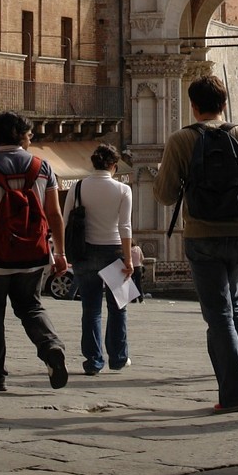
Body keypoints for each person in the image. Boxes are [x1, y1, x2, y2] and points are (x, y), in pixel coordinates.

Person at [155, 73, 238, 413]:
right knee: (236, 306)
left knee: (219, 314)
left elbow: (164, 196)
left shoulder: (181, 140)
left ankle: (235, 392)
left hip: (201, 237)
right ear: (225, 104)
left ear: (193, 106)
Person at [0, 111, 70, 389]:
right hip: (33, 256)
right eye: (29, 134)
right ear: (19, 136)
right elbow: (54, 214)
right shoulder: (42, 167)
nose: (31, 139)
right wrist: (60, 253)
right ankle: (51, 347)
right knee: (31, 307)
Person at [62, 144, 133, 376]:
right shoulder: (123, 189)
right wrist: (129, 259)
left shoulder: (78, 187)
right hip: (114, 252)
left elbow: (66, 221)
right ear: (114, 165)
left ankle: (93, 361)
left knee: (91, 310)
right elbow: (125, 227)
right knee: (118, 308)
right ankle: (118, 358)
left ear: (93, 163)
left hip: (85, 252)